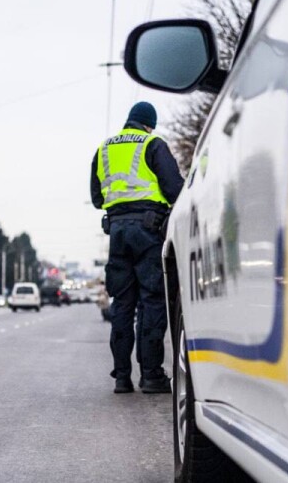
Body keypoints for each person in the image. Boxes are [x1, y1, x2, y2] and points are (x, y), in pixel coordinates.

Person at [90, 101, 184, 394]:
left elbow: (96, 198)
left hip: (117, 232)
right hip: (148, 231)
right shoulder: (153, 144)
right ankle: (152, 375)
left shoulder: (104, 149)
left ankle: (121, 377)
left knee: (122, 303)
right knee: (152, 300)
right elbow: (174, 189)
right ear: (148, 124)